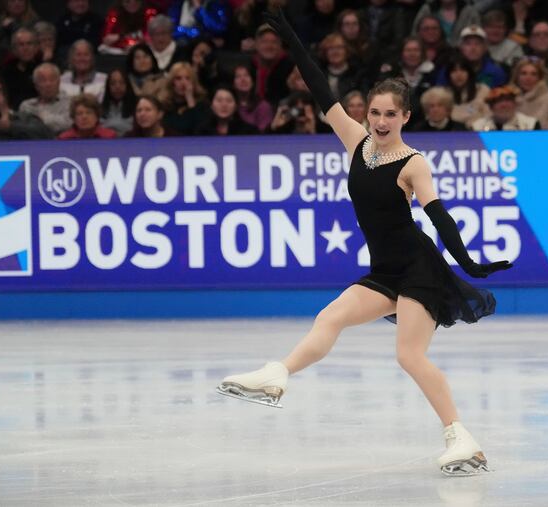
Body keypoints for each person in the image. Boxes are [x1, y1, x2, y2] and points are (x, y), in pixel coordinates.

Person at [218, 8, 512, 477]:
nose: (379, 120)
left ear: (405, 117)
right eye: (374, 112)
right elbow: (319, 87)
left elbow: (440, 217)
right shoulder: (356, 142)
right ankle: (277, 376)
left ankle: (462, 438)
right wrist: (292, 36)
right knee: (330, 316)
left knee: (408, 355)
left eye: (389, 114)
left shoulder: (414, 162)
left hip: (418, 270)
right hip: (384, 272)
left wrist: (470, 265)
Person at [512, 57, 548, 129]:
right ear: (517, 77)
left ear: (540, 77)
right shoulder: (507, 100)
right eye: (523, 73)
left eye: (533, 74)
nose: (528, 78)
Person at [18, 62, 72, 135]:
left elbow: (67, 124)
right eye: (43, 80)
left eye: (52, 79)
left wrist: (41, 118)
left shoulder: (70, 102)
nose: (48, 84)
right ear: (36, 85)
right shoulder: (27, 106)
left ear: (59, 82)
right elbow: (24, 129)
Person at [158, 61, 208, 135]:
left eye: (187, 78)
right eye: (178, 78)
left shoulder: (202, 104)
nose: (183, 83)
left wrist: (190, 99)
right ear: (171, 82)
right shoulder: (164, 105)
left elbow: (200, 129)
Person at [443, 55, 490, 129]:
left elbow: (489, 116)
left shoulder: (482, 90)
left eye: (463, 70)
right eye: (454, 71)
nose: (459, 75)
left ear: (469, 72)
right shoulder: (443, 94)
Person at [471, 83, 540, 131]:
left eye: (507, 100)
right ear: (491, 107)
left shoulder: (530, 125)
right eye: (499, 101)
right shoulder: (477, 127)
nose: (504, 105)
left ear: (515, 103)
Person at [195, 85, 259, 135]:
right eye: (219, 100)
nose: (224, 105)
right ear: (211, 105)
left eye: (229, 101)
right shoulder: (202, 132)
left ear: (236, 106)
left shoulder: (249, 132)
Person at [412, 0, 481, 47]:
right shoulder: (427, 9)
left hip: (463, 56)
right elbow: (415, 34)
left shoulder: (470, 12)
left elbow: (477, 37)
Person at [232, 63, 272, 132]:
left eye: (246, 75)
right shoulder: (229, 105)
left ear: (252, 81)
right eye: (238, 76)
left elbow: (263, 136)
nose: (243, 79)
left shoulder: (263, 106)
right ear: (233, 84)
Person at [101, 68, 136, 136]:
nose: (117, 87)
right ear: (108, 87)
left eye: (122, 82)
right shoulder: (100, 108)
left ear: (127, 85)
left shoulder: (137, 107)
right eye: (113, 83)